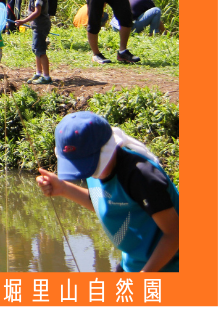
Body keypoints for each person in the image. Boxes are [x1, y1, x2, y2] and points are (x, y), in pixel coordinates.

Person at [35, 112, 179, 272]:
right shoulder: (97, 169)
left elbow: (174, 233)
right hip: (133, 264)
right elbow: (104, 202)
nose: (85, 171)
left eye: (86, 164)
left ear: (106, 150)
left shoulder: (141, 176)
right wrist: (63, 188)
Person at [12, 0, 53, 84]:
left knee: (41, 51)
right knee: (36, 49)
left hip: (41, 26)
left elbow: (37, 12)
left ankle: (46, 76)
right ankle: (38, 73)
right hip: (37, 26)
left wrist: (23, 21)